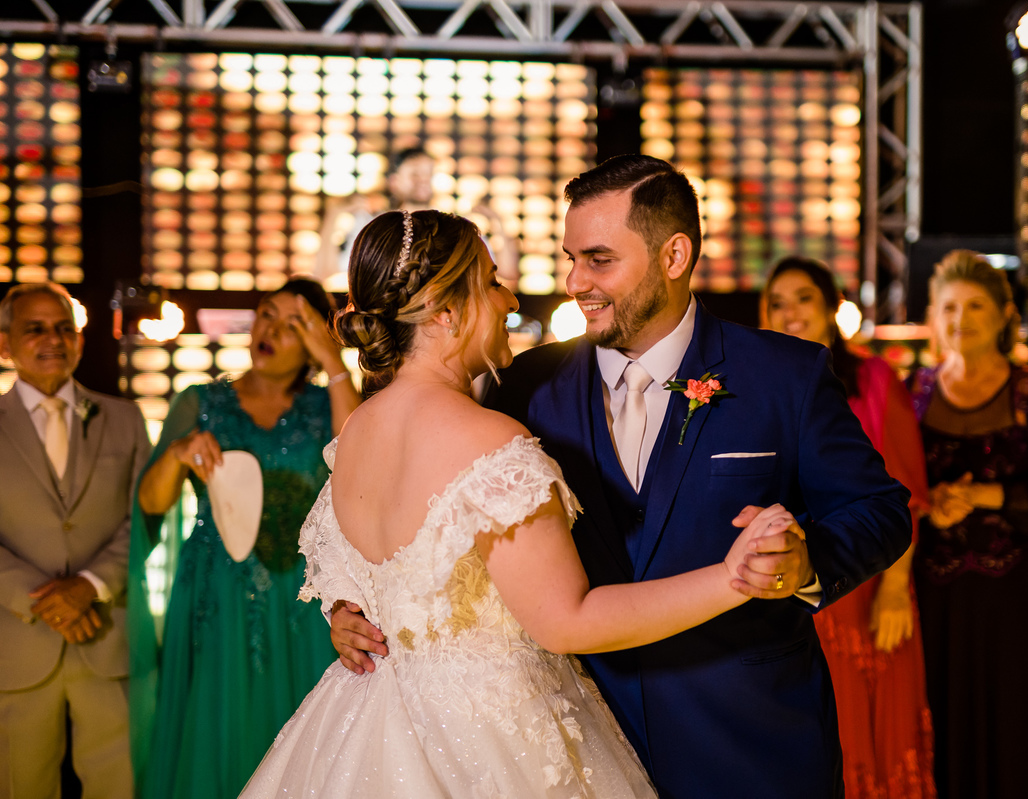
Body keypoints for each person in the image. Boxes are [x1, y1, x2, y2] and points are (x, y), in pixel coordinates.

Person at [331, 155, 914, 798]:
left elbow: (881, 510)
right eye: (571, 257)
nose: (577, 281)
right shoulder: (519, 388)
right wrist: (361, 607)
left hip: (748, 741)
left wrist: (803, 566)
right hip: (567, 745)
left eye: (600, 260)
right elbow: (427, 521)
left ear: (674, 255)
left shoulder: (786, 375)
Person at [240, 208, 799, 798]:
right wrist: (735, 578)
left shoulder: (354, 435)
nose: (509, 299)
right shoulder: (489, 441)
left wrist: (343, 619)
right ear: (447, 311)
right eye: (489, 280)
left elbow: (371, 582)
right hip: (487, 738)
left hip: (365, 725)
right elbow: (567, 621)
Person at [128, 277, 362, 799]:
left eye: (292, 323)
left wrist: (336, 365)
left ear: (317, 339)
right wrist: (177, 453)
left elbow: (356, 463)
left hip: (302, 602)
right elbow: (150, 503)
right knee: (215, 729)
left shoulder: (331, 405)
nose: (271, 330)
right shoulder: (200, 403)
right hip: (217, 596)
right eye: (266, 314)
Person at [908, 250, 1028, 799]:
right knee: (945, 718)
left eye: (976, 305)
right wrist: (928, 500)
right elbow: (893, 480)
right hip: (935, 595)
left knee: (1019, 727)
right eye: (950, 307)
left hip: (1018, 598)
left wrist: (983, 494)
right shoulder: (916, 388)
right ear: (934, 317)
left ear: (1006, 314)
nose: (961, 319)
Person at [761, 257, 935, 799]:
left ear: (833, 308)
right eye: (778, 302)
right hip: (790, 589)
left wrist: (894, 590)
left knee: (871, 734)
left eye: (804, 298)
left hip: (866, 581)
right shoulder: (757, 384)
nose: (790, 312)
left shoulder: (874, 379)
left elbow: (904, 495)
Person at [0, 282, 150, 798]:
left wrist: (89, 585)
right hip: (14, 646)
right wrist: (43, 600)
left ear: (81, 341)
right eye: (35, 328)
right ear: (4, 344)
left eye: (65, 327)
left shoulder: (125, 419)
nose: (53, 338)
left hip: (106, 639)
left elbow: (144, 518)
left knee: (120, 786)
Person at [314, 146, 519, 290]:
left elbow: (507, 275)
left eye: (428, 174)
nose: (423, 181)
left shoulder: (453, 227)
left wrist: (498, 222)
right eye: (414, 174)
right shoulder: (375, 227)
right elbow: (324, 273)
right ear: (394, 181)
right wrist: (334, 215)